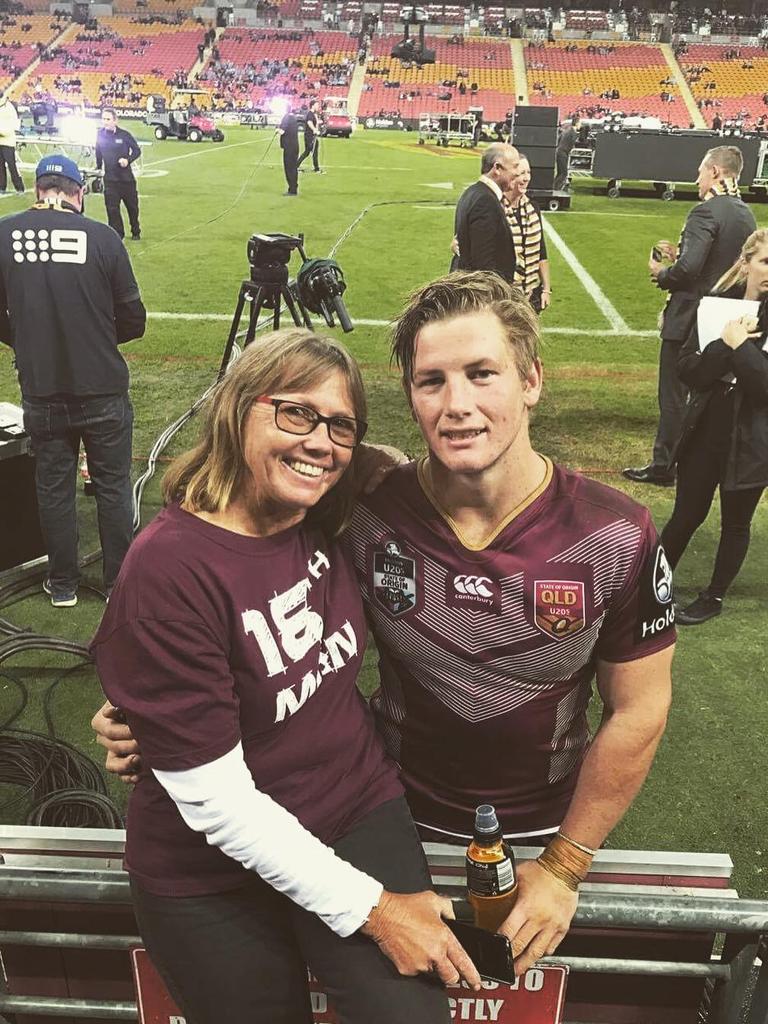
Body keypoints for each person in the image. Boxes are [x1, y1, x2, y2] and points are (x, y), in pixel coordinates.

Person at [94, 273, 674, 977]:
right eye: (431, 381)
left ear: (531, 381)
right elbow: (243, 580)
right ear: (410, 397)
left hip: (542, 828)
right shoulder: (361, 506)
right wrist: (153, 709)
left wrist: (565, 864)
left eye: (482, 374)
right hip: (387, 814)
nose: (457, 405)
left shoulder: (618, 532)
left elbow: (640, 708)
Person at [90, 329, 479, 1024]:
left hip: (352, 807)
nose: (319, 442)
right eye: (295, 412)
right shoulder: (170, 568)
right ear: (239, 407)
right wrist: (378, 911)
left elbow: (422, 470)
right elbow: (217, 803)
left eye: (339, 426)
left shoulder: (326, 505)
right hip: (208, 868)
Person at [0, 154, 145, 606]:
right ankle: (117, 584)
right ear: (79, 192)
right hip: (101, 385)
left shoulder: (4, 232)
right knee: (112, 485)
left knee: (54, 486)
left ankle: (62, 584)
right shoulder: (102, 236)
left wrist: (24, 341)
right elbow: (134, 320)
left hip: (42, 388)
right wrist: (99, 337)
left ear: (37, 190)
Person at [624, 146, 756, 486]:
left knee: (673, 395)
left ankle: (663, 466)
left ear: (714, 171)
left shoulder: (705, 212)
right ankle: (695, 462)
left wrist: (663, 272)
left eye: (700, 172)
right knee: (707, 395)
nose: (696, 180)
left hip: (688, 318)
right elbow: (721, 264)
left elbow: (690, 269)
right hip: (725, 318)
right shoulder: (745, 214)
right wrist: (680, 252)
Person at [660, 229, 768, 625]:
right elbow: (690, 371)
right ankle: (652, 584)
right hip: (707, 428)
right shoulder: (714, 307)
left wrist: (739, 348)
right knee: (687, 513)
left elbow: (764, 389)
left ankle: (714, 596)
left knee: (736, 522)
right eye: (765, 261)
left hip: (754, 439)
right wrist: (725, 344)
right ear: (747, 263)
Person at [452, 143, 520, 283]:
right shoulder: (486, 202)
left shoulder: (471, 192)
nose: (517, 173)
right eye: (514, 166)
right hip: (484, 296)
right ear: (497, 168)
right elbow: (483, 266)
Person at [503, 154, 551, 313]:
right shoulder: (494, 207)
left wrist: (546, 289)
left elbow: (541, 251)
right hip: (503, 296)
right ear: (510, 177)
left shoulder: (533, 208)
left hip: (529, 294)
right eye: (521, 173)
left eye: (528, 173)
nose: (526, 178)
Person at [95, 107, 142, 241]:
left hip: (126, 180)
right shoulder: (99, 134)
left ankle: (135, 230)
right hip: (110, 180)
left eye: (108, 119)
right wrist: (98, 167)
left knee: (132, 208)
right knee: (112, 209)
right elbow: (98, 151)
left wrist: (128, 160)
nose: (105, 122)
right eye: (103, 119)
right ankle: (117, 235)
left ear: (115, 120)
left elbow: (137, 151)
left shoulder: (124, 135)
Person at [0, 93, 25, 195]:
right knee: (0, 166)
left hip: (8, 141)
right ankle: (2, 187)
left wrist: (1, 131)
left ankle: (19, 188)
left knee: (12, 166)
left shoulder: (9, 107)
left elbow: (13, 125)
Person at [278, 105, 300, 196]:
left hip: (289, 147)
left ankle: (292, 189)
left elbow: (282, 131)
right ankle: (294, 187)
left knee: (289, 168)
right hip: (295, 146)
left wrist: (277, 130)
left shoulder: (286, 117)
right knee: (293, 168)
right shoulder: (294, 118)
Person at [554, 117, 580, 191]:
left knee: (560, 172)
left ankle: (554, 187)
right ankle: (557, 189)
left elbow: (559, 140)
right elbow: (574, 143)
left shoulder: (567, 130)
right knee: (563, 173)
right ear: (577, 123)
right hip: (563, 153)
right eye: (580, 123)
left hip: (559, 151)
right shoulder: (573, 132)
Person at [297, 99, 323, 173]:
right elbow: (309, 122)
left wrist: (318, 122)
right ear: (313, 106)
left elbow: (314, 122)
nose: (318, 107)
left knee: (307, 152)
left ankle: (296, 166)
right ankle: (316, 168)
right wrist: (314, 130)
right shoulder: (310, 114)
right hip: (310, 136)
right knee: (314, 152)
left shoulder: (313, 114)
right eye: (317, 105)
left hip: (311, 136)